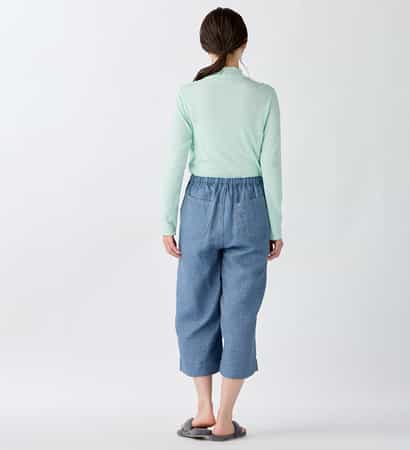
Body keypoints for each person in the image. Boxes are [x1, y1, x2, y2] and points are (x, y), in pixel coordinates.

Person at [161, 7, 283, 441]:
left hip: (200, 205)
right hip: (251, 205)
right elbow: (272, 166)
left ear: (206, 46)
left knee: (194, 305)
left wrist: (167, 221)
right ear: (243, 44)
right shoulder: (264, 96)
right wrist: (275, 227)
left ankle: (202, 409)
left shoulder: (189, 95)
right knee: (241, 313)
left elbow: (174, 162)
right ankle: (226, 417)